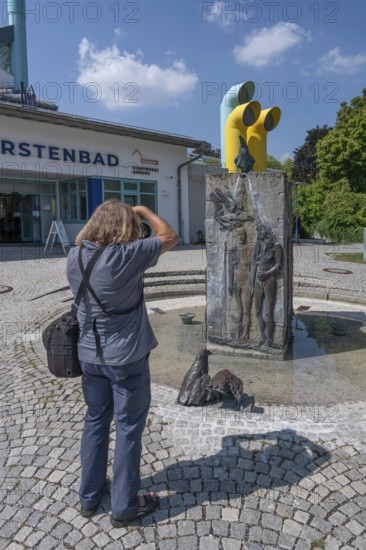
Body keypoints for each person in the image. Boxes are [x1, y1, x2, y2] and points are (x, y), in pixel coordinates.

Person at [66, 199, 178, 527]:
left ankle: (89, 496)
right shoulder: (126, 256)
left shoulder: (74, 256)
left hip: (89, 355)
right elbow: (169, 235)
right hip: (126, 357)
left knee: (95, 421)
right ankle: (124, 506)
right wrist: (142, 211)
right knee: (128, 428)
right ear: (125, 225)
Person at [250, 223, 283, 348]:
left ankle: (270, 340)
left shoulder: (276, 246)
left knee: (269, 312)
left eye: (261, 230)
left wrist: (267, 273)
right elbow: (253, 262)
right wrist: (251, 282)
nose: (259, 233)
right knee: (258, 311)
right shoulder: (258, 245)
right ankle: (262, 337)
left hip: (269, 279)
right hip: (258, 280)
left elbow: (278, 265)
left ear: (267, 231)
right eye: (258, 231)